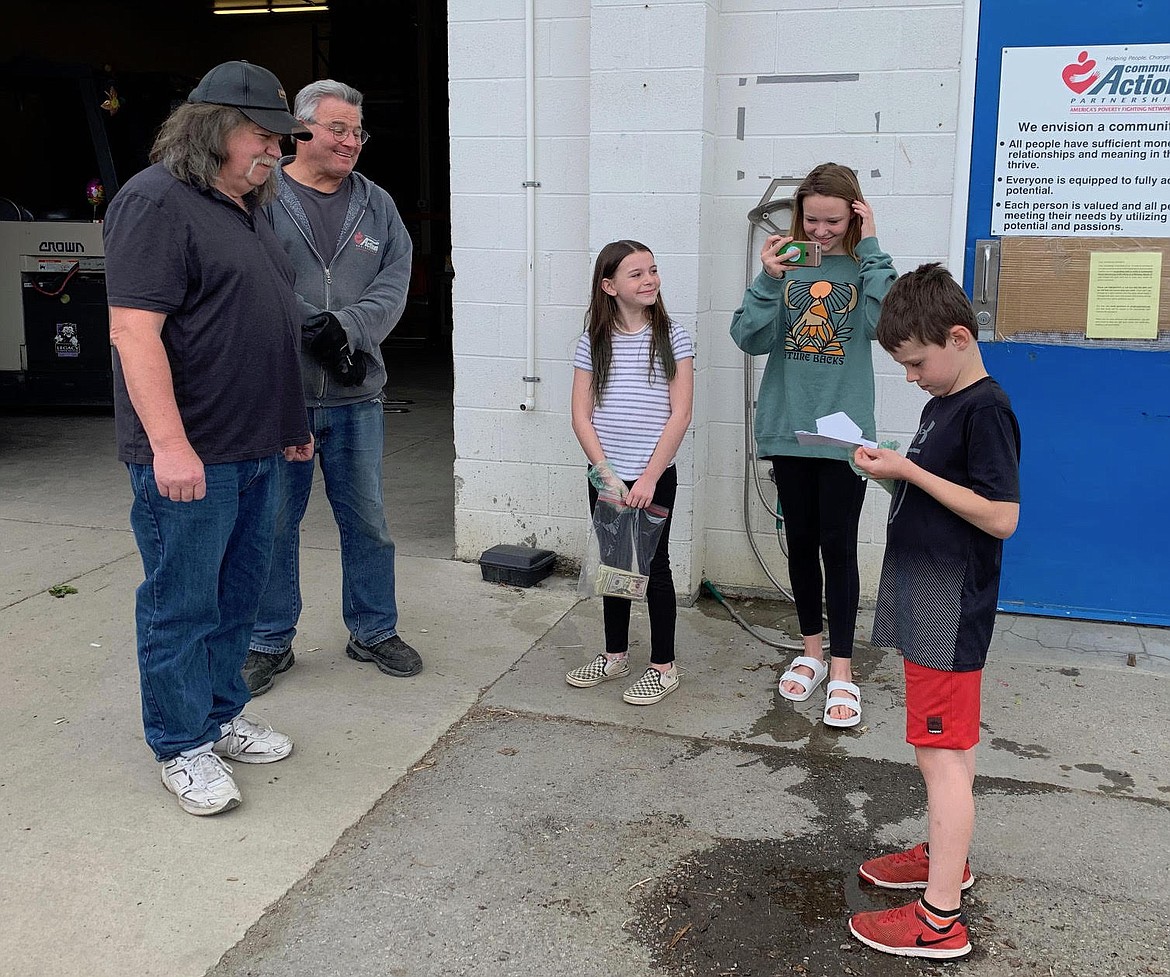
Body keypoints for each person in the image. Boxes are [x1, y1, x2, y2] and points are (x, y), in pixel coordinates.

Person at [104, 60, 315, 816]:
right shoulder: (155, 202)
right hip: (190, 457)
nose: (276, 153)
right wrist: (168, 445)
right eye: (263, 136)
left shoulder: (245, 207)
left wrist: (290, 426)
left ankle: (220, 714)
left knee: (237, 598)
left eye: (279, 140)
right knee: (181, 601)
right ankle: (178, 742)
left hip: (258, 448)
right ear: (214, 126)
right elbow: (134, 331)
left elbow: (269, 324)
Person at [848, 263, 1021, 959]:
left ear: (956, 336)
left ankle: (940, 918)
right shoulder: (942, 402)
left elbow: (1002, 516)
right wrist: (892, 468)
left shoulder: (986, 407)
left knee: (941, 756)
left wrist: (909, 471)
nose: (913, 377)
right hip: (928, 602)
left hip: (952, 611)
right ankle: (944, 854)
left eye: (917, 363)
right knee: (944, 753)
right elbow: (939, 494)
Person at [241, 79, 420, 696]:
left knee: (367, 520)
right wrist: (301, 323)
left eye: (358, 132)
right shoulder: (261, 197)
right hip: (278, 395)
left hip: (355, 394)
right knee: (272, 523)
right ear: (302, 131)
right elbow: (246, 271)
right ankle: (268, 640)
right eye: (338, 129)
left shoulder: (378, 206)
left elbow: (395, 281)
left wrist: (345, 327)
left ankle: (373, 629)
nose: (350, 142)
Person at [729, 162, 896, 728]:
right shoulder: (786, 265)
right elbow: (746, 338)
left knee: (838, 546)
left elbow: (888, 326)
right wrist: (768, 279)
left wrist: (871, 247)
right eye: (811, 220)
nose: (821, 231)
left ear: (855, 214)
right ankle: (812, 651)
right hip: (787, 424)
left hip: (843, 433)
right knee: (799, 542)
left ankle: (844, 670)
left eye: (834, 220)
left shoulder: (863, 265)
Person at [565, 240, 694, 705]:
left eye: (653, 271)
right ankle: (615, 654)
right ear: (609, 286)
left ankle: (663, 666)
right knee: (614, 565)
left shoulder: (673, 337)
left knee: (654, 568)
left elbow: (679, 414)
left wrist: (648, 478)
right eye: (636, 274)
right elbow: (581, 415)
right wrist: (605, 473)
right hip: (606, 477)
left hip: (652, 476)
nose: (650, 280)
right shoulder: (592, 343)